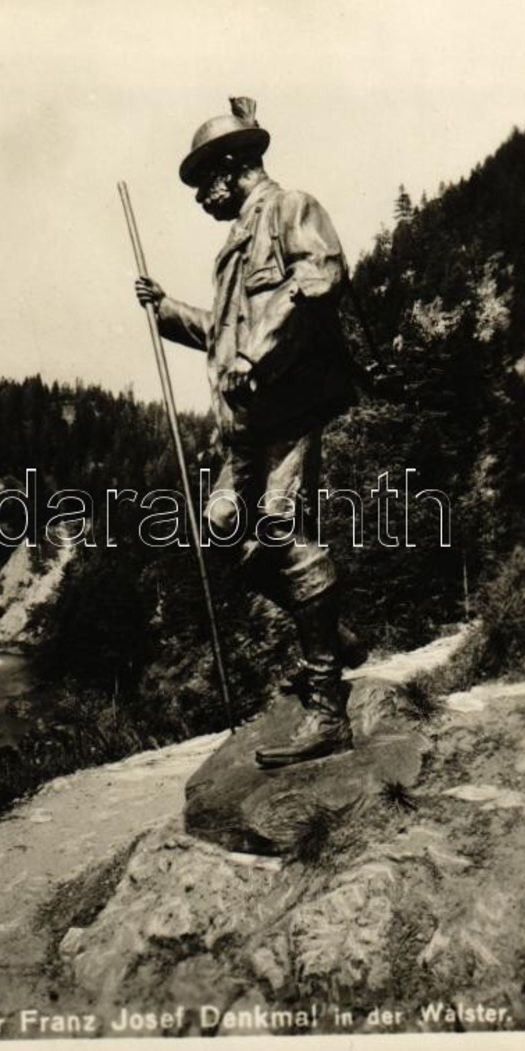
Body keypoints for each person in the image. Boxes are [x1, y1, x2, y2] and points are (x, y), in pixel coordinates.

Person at [135, 97, 367, 768]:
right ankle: (330, 629)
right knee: (222, 532)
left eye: (205, 181)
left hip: (290, 413)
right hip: (245, 433)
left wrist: (254, 356)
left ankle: (327, 708)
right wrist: (167, 310)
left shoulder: (291, 207)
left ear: (233, 168)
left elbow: (318, 278)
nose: (201, 197)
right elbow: (223, 334)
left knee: (278, 533)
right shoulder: (236, 243)